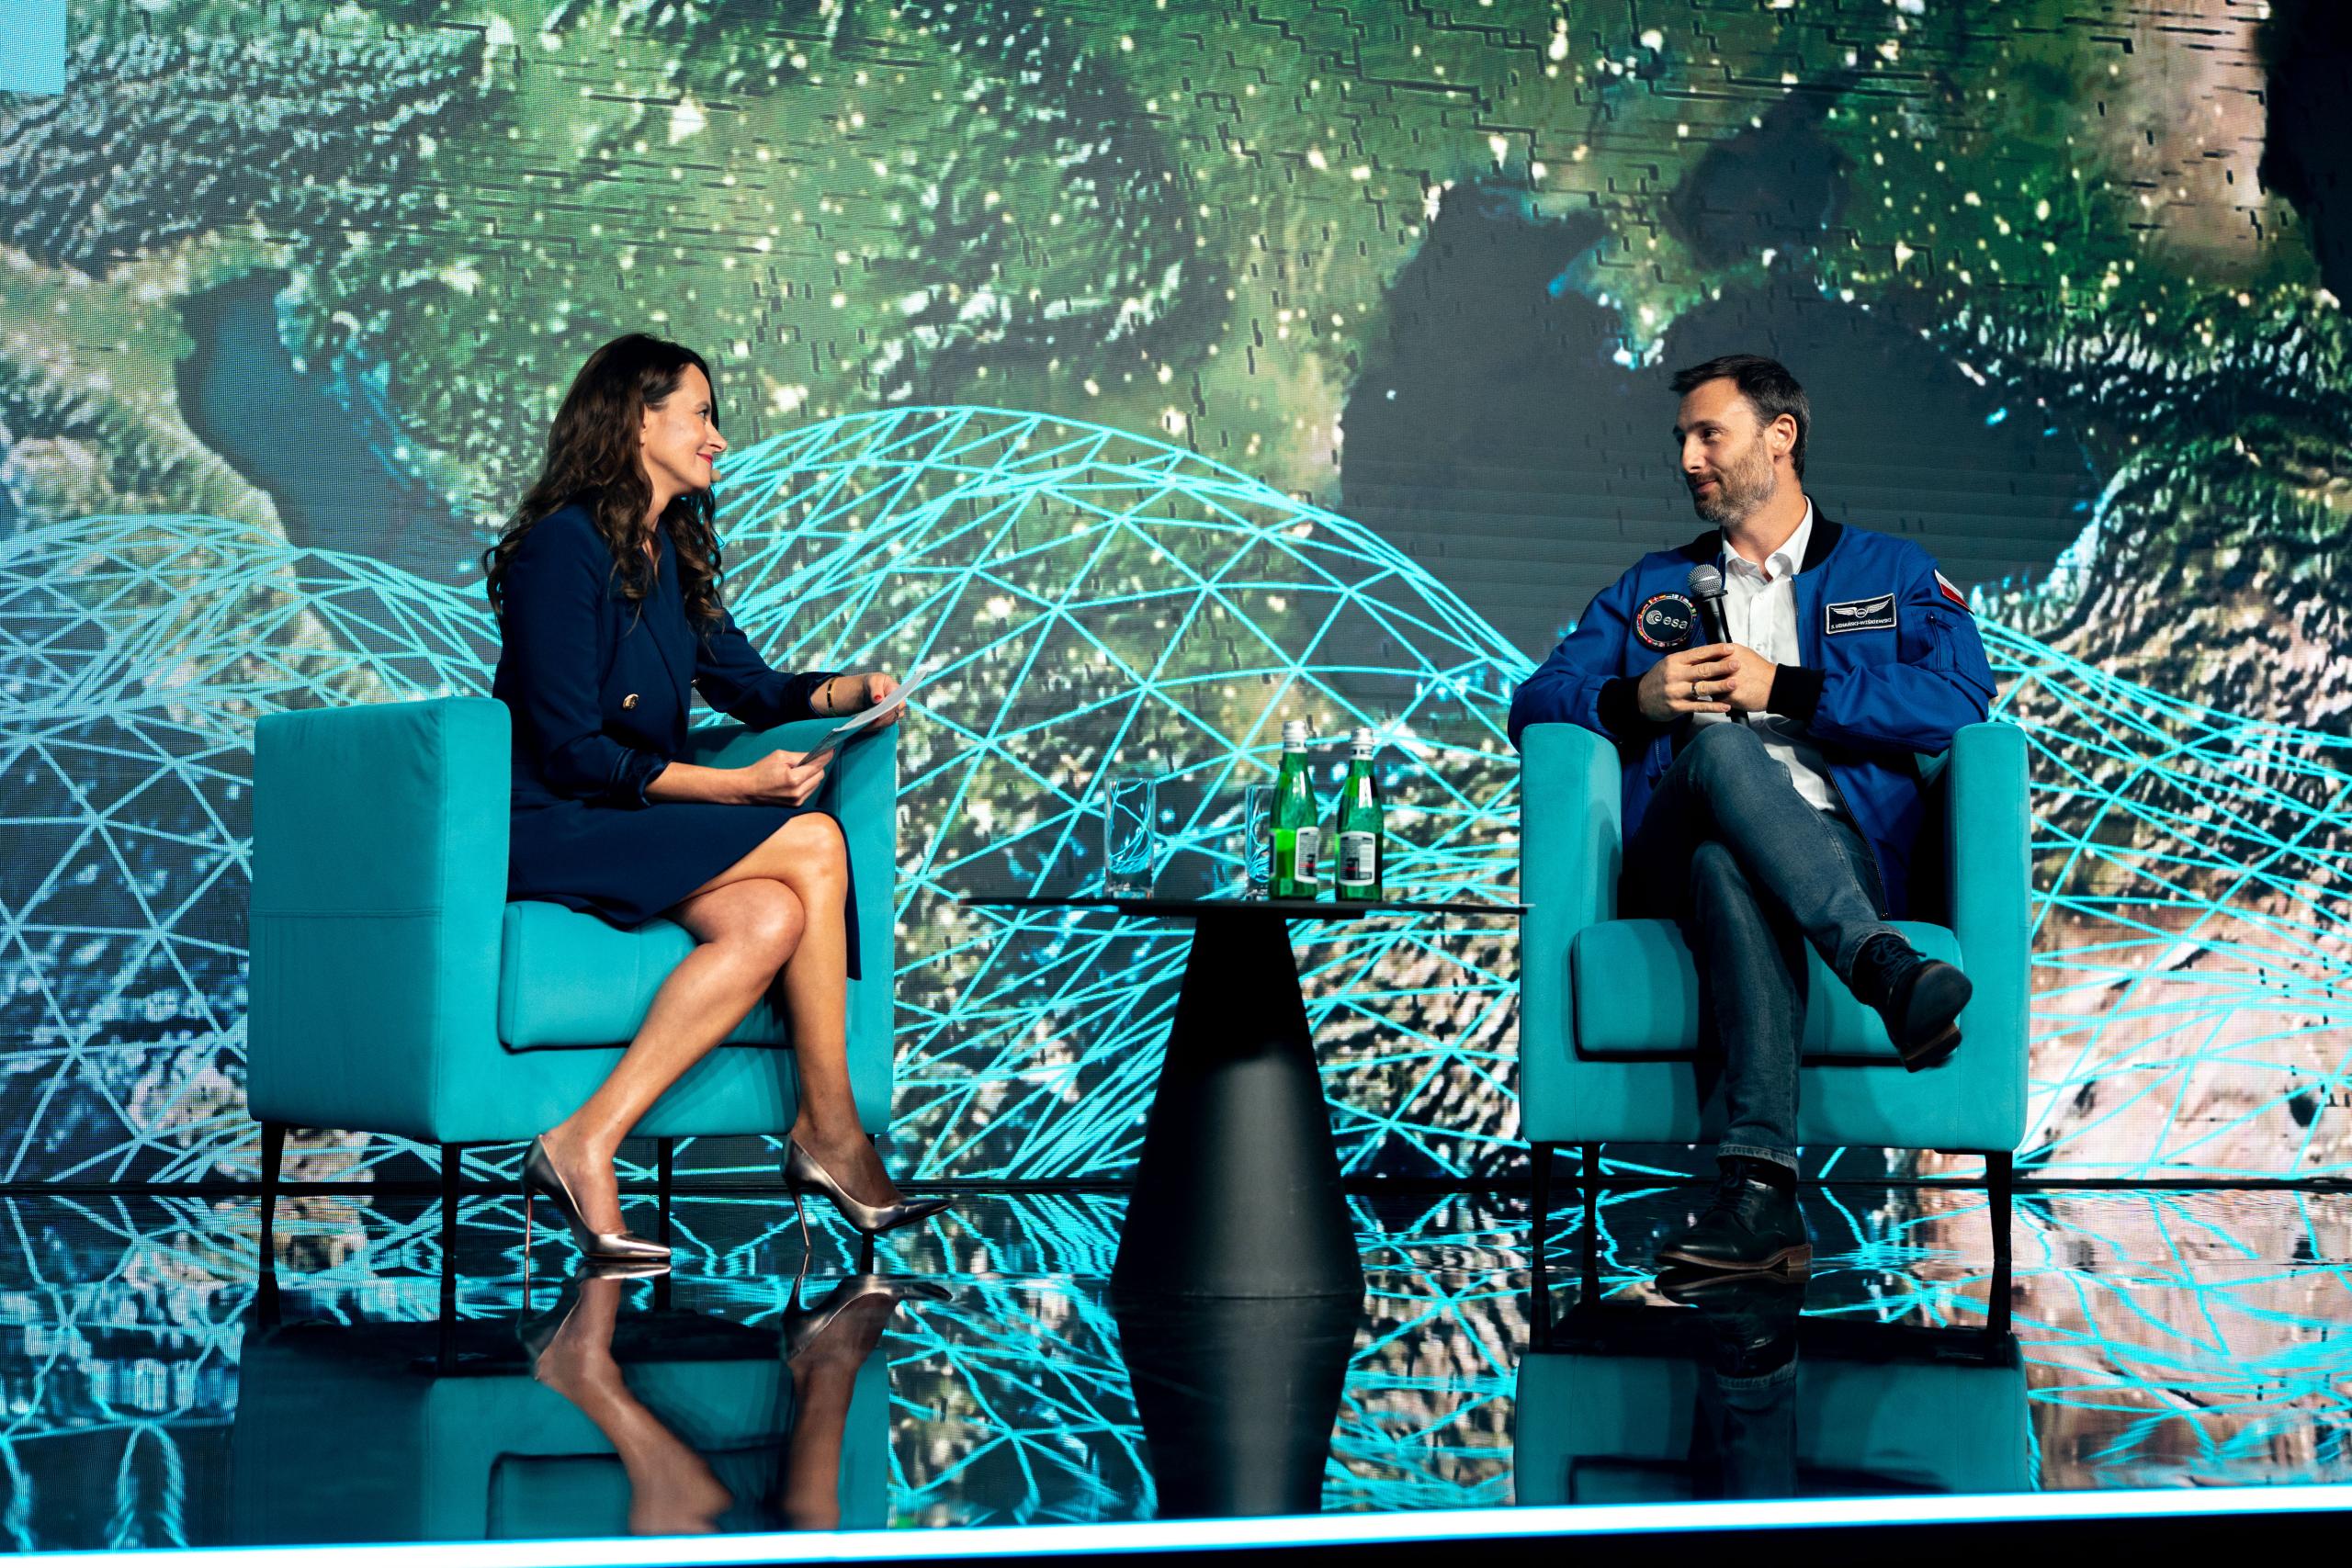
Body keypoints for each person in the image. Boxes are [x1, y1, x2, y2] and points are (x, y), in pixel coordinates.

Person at [1508, 354, 1996, 1275]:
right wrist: (1631, 701)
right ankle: (1881, 965)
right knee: (1720, 747)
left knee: (1728, 866)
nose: (1689, 459)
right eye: (1681, 441)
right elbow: (1535, 702)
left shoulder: (1889, 570)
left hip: (1831, 847)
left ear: (1781, 437)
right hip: (1670, 840)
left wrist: (1792, 687)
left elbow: (1961, 695)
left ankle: (1762, 1199)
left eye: (1709, 435)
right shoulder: (1652, 586)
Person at [485, 333, 945, 1267]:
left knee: (771, 914)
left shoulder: (669, 550)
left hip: (627, 819)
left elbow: (751, 687)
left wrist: (848, 690)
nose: (716, 438)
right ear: (636, 418)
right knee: (811, 847)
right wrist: (734, 788)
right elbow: (571, 750)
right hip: (551, 820)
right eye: (698, 413)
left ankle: (586, 1139)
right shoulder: (559, 549)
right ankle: (831, 1133)